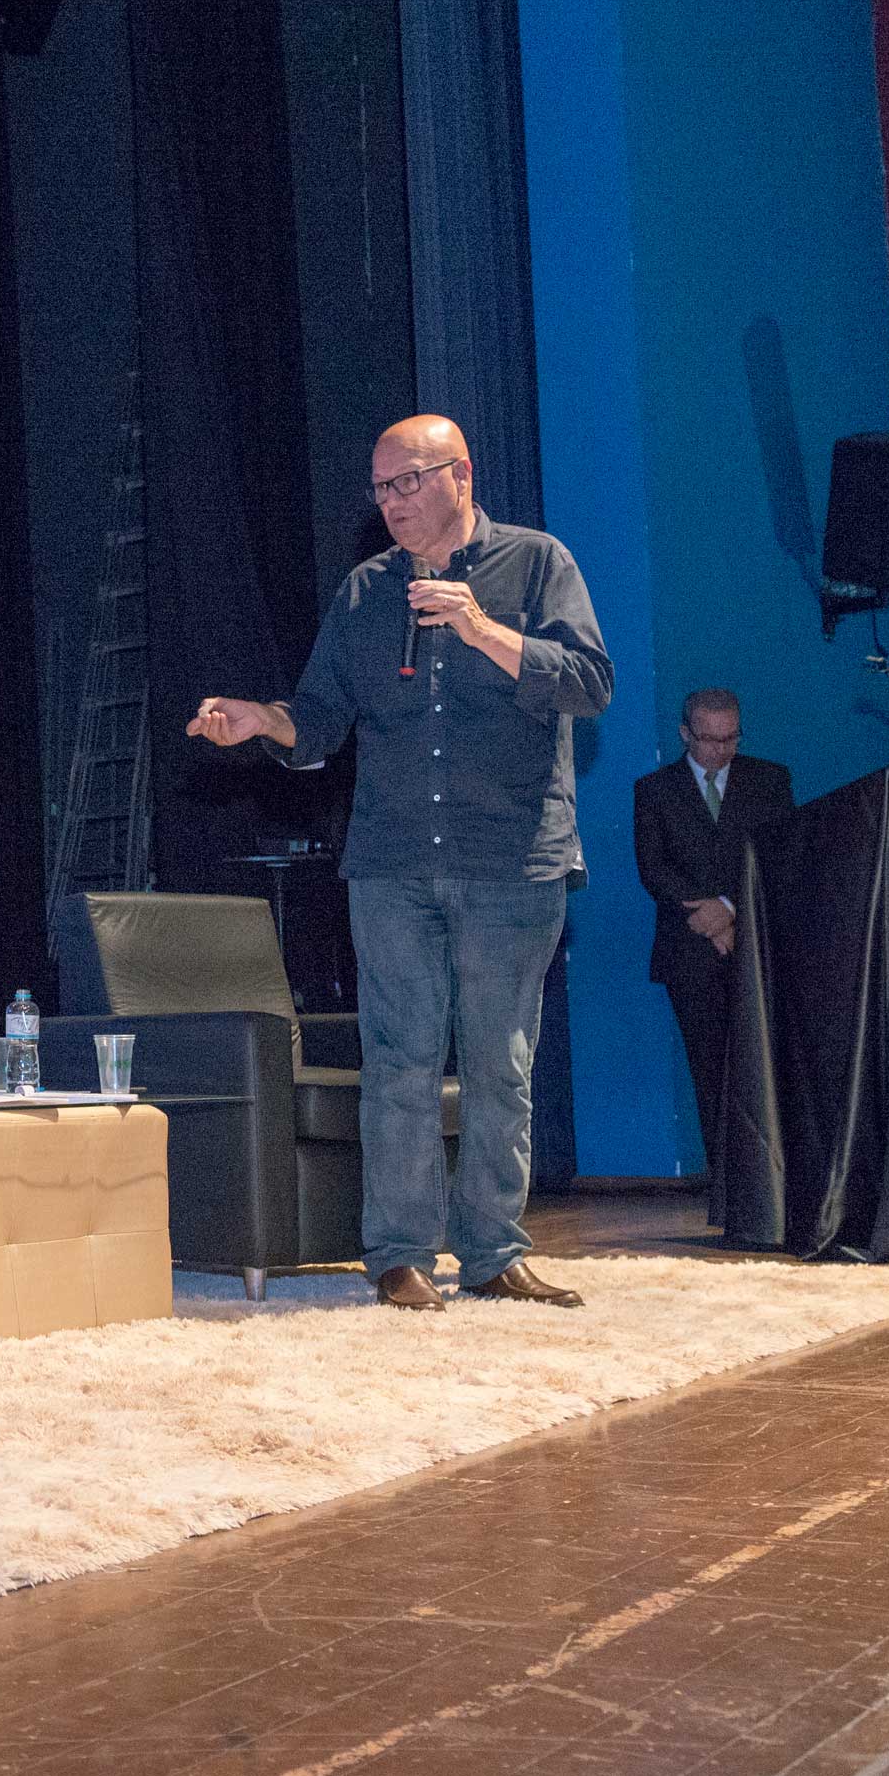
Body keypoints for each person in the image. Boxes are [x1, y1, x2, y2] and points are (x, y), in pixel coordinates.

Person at [188, 415, 614, 1312]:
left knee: (500, 1064)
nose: (392, 502)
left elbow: (589, 684)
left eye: (408, 481)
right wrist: (264, 723)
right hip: (391, 862)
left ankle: (493, 1253)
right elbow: (319, 719)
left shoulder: (538, 564)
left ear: (461, 474)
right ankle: (398, 1254)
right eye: (381, 488)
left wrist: (482, 628)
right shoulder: (365, 592)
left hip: (511, 858)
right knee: (399, 1061)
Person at [632, 688, 794, 1187]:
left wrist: (730, 910)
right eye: (710, 739)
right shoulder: (654, 790)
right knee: (709, 1068)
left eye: (731, 739)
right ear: (686, 734)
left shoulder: (770, 781)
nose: (722, 750)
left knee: (765, 1066)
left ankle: (775, 1180)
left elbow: (782, 856)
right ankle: (727, 1182)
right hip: (689, 952)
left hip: (756, 944)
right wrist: (706, 915)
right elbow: (654, 869)